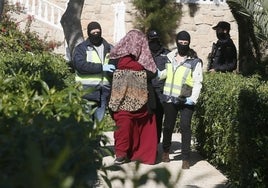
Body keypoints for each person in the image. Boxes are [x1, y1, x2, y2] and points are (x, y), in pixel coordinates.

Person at [108, 29, 158, 165]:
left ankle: (137, 155)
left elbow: (153, 73)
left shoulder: (144, 56)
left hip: (142, 101)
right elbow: (111, 73)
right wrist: (137, 69)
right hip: (121, 99)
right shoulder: (115, 57)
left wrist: (128, 72)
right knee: (124, 125)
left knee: (143, 126)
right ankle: (121, 154)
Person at [159, 31, 203, 169]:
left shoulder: (194, 61)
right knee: (168, 126)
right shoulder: (169, 57)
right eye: (181, 42)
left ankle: (185, 158)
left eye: (186, 43)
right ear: (177, 42)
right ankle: (166, 151)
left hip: (186, 99)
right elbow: (166, 73)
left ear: (189, 43)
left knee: (185, 127)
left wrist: (193, 99)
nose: (183, 45)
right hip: (170, 98)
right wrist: (156, 74)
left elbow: (198, 82)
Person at [73, 21, 115, 122]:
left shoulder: (109, 48)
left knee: (98, 124)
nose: (96, 34)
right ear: (88, 33)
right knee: (86, 123)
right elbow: (80, 66)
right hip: (86, 91)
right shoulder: (81, 48)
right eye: (93, 32)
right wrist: (101, 67)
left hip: (103, 92)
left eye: (98, 31)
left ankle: (96, 138)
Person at [147, 30, 170, 143]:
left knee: (159, 118)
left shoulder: (167, 53)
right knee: (148, 118)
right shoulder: (144, 53)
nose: (154, 42)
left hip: (161, 92)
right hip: (147, 91)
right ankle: (148, 142)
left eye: (156, 40)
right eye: (152, 40)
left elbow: (171, 70)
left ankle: (156, 142)